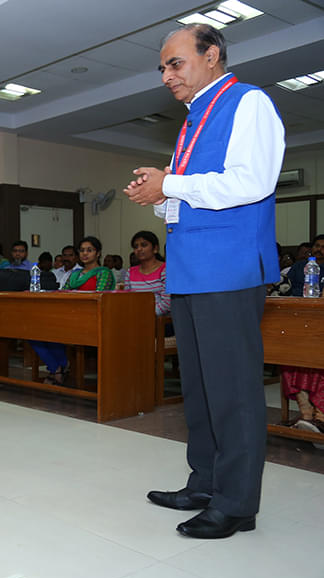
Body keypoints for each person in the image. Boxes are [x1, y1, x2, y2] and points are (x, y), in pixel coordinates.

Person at [124, 24, 284, 539]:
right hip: (192, 270)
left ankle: (237, 503)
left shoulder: (248, 102)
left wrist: (169, 182)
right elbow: (195, 193)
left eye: (176, 63)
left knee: (233, 389)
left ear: (211, 55)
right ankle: (206, 481)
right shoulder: (194, 118)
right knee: (199, 387)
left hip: (229, 267)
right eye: (163, 68)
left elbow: (250, 182)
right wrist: (161, 191)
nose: (167, 76)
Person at [30, 236, 114, 384]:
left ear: (98, 253)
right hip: (71, 316)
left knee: (52, 332)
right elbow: (64, 293)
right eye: (82, 250)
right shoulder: (75, 274)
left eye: (89, 250)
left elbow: (100, 298)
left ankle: (58, 369)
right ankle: (58, 367)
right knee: (34, 332)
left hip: (93, 318)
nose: (85, 254)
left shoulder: (103, 273)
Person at [119, 231, 170, 316]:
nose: (139, 249)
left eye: (144, 245)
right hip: (135, 316)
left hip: (159, 319)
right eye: (136, 247)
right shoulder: (130, 272)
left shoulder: (165, 269)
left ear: (155, 249)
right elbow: (128, 299)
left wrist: (145, 315)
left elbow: (167, 303)